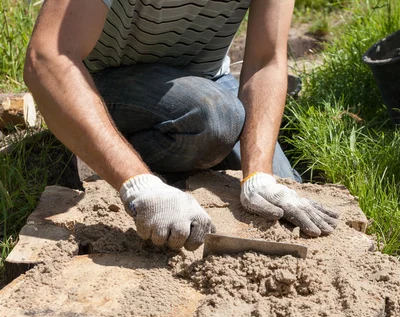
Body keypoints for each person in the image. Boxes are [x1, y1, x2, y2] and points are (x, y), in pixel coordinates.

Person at [24, 0, 338, 251]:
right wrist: (139, 186)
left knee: (281, 198)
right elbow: (49, 58)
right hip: (99, 81)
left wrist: (259, 176)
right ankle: (103, 154)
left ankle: (166, 163)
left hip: (205, 82)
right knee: (216, 119)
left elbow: (265, 60)